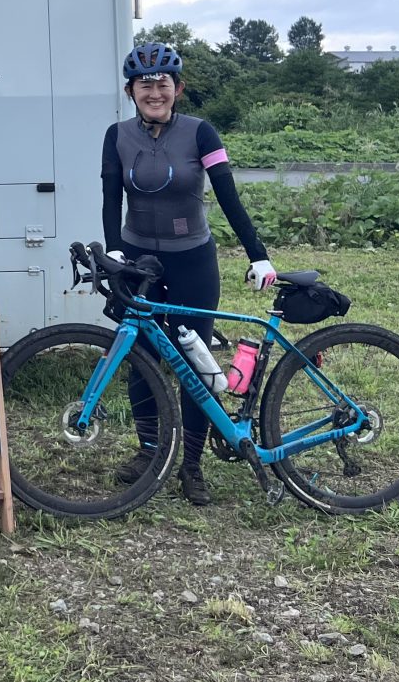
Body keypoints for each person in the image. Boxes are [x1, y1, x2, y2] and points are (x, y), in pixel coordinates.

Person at [102, 41, 276, 506]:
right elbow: (110, 199)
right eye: (144, 85)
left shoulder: (201, 133)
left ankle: (192, 464)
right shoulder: (116, 136)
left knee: (196, 363)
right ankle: (149, 451)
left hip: (193, 260)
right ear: (130, 91)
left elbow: (228, 197)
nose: (154, 92)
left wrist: (257, 254)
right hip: (138, 262)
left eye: (162, 83)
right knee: (140, 356)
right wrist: (115, 250)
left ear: (177, 88)